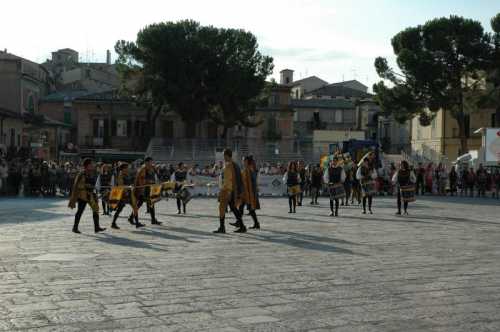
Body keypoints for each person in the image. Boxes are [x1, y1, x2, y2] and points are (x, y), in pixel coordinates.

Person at [68, 158, 106, 234]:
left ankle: (97, 227)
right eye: (91, 164)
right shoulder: (81, 173)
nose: (92, 165)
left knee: (95, 209)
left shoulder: (92, 173)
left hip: (91, 194)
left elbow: (94, 183)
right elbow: (77, 185)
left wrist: (94, 186)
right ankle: (75, 227)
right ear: (87, 165)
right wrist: (86, 185)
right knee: (80, 211)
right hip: (83, 195)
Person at [214, 148, 245, 234]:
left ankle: (222, 227)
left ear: (227, 155)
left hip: (227, 190)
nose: (223, 157)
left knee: (222, 208)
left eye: (224, 155)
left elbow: (228, 180)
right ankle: (242, 226)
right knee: (233, 208)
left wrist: (226, 191)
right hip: (233, 190)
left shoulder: (228, 166)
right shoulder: (235, 165)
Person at [110, 162, 144, 229]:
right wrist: (128, 186)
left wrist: (132, 185)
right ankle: (113, 223)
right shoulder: (120, 175)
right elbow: (121, 185)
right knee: (120, 209)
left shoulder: (127, 174)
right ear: (123, 169)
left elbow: (130, 182)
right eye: (127, 168)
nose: (128, 169)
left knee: (135, 206)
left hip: (129, 194)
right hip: (123, 195)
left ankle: (137, 223)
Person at [130, 157, 162, 226]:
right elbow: (142, 180)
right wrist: (151, 182)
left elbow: (154, 177)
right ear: (146, 162)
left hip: (149, 188)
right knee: (147, 203)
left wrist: (155, 182)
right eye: (151, 162)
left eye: (152, 162)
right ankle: (152, 219)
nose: (152, 163)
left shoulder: (151, 168)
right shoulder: (143, 169)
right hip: (143, 189)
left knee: (147, 203)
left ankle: (131, 217)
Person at [240, 155, 260, 229]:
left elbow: (252, 182)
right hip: (246, 192)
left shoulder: (249, 170)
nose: (242, 162)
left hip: (249, 193)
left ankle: (256, 223)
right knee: (242, 207)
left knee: (250, 209)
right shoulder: (246, 169)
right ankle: (240, 222)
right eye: (242, 161)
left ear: (247, 161)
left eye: (244, 160)